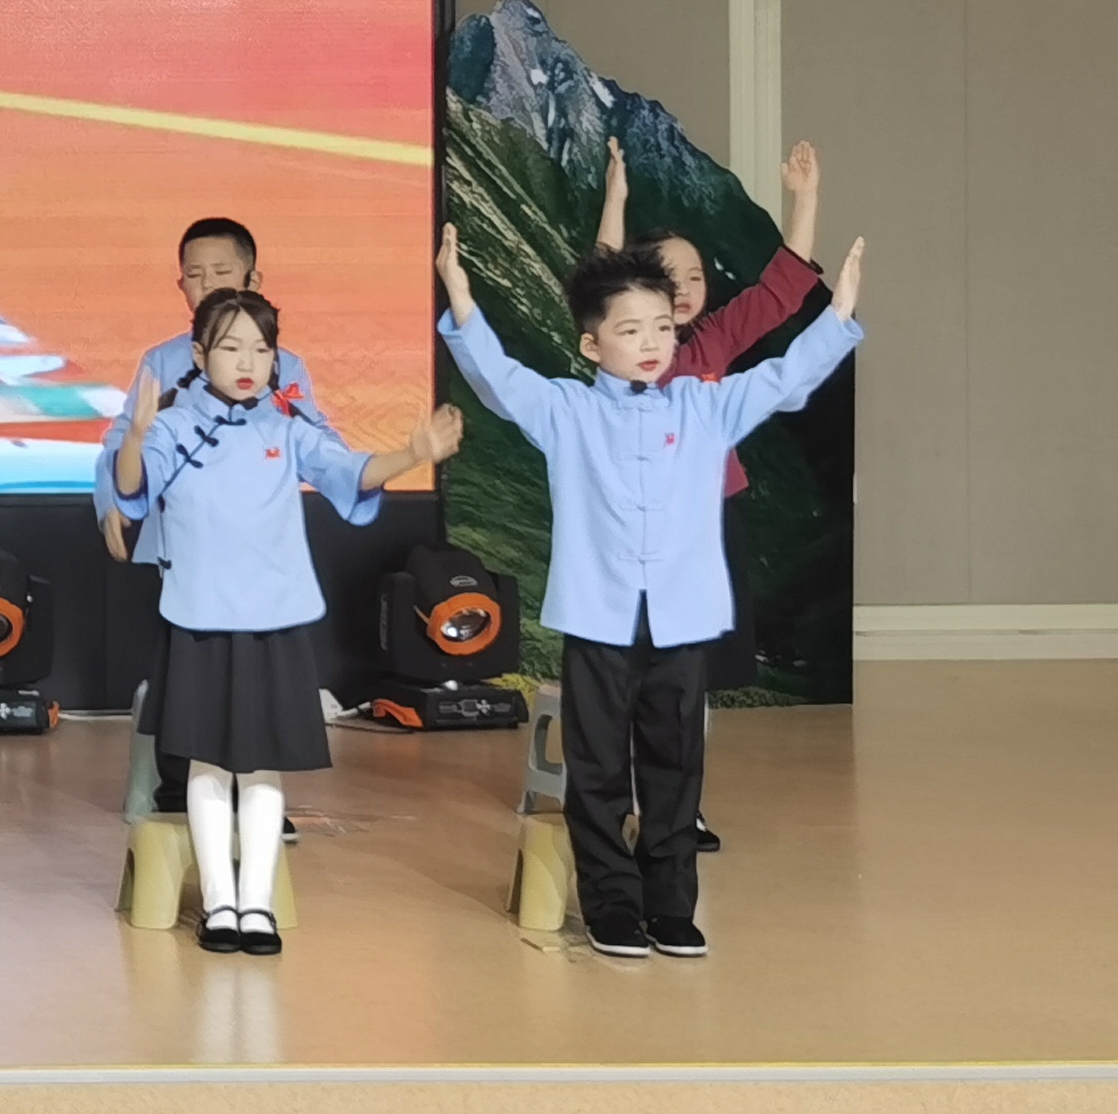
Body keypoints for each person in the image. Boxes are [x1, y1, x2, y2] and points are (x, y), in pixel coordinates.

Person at [438, 227, 863, 960]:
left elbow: (784, 379)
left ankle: (670, 906)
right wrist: (460, 296)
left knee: (675, 767)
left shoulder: (705, 406)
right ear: (591, 344)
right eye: (630, 329)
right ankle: (611, 904)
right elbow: (499, 380)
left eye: (662, 327)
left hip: (682, 618)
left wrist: (839, 315)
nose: (651, 343)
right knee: (598, 768)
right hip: (598, 619)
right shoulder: (566, 410)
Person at [109, 289, 462, 956]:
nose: (248, 362)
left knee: (262, 766)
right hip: (199, 616)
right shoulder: (171, 427)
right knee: (208, 764)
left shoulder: (288, 428)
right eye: (231, 347)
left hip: (274, 618)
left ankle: (258, 904)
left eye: (261, 348)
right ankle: (219, 903)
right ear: (199, 355)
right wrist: (133, 435)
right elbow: (131, 487)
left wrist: (411, 453)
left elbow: (349, 472)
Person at [597, 138, 828, 843]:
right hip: (644, 526)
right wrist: (615, 199)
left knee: (693, 674)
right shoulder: (625, 351)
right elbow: (600, 277)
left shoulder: (716, 340)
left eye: (695, 274)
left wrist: (805, 199)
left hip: (713, 517)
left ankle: (680, 807)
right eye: (669, 275)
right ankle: (634, 799)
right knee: (644, 670)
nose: (687, 286)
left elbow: (783, 289)